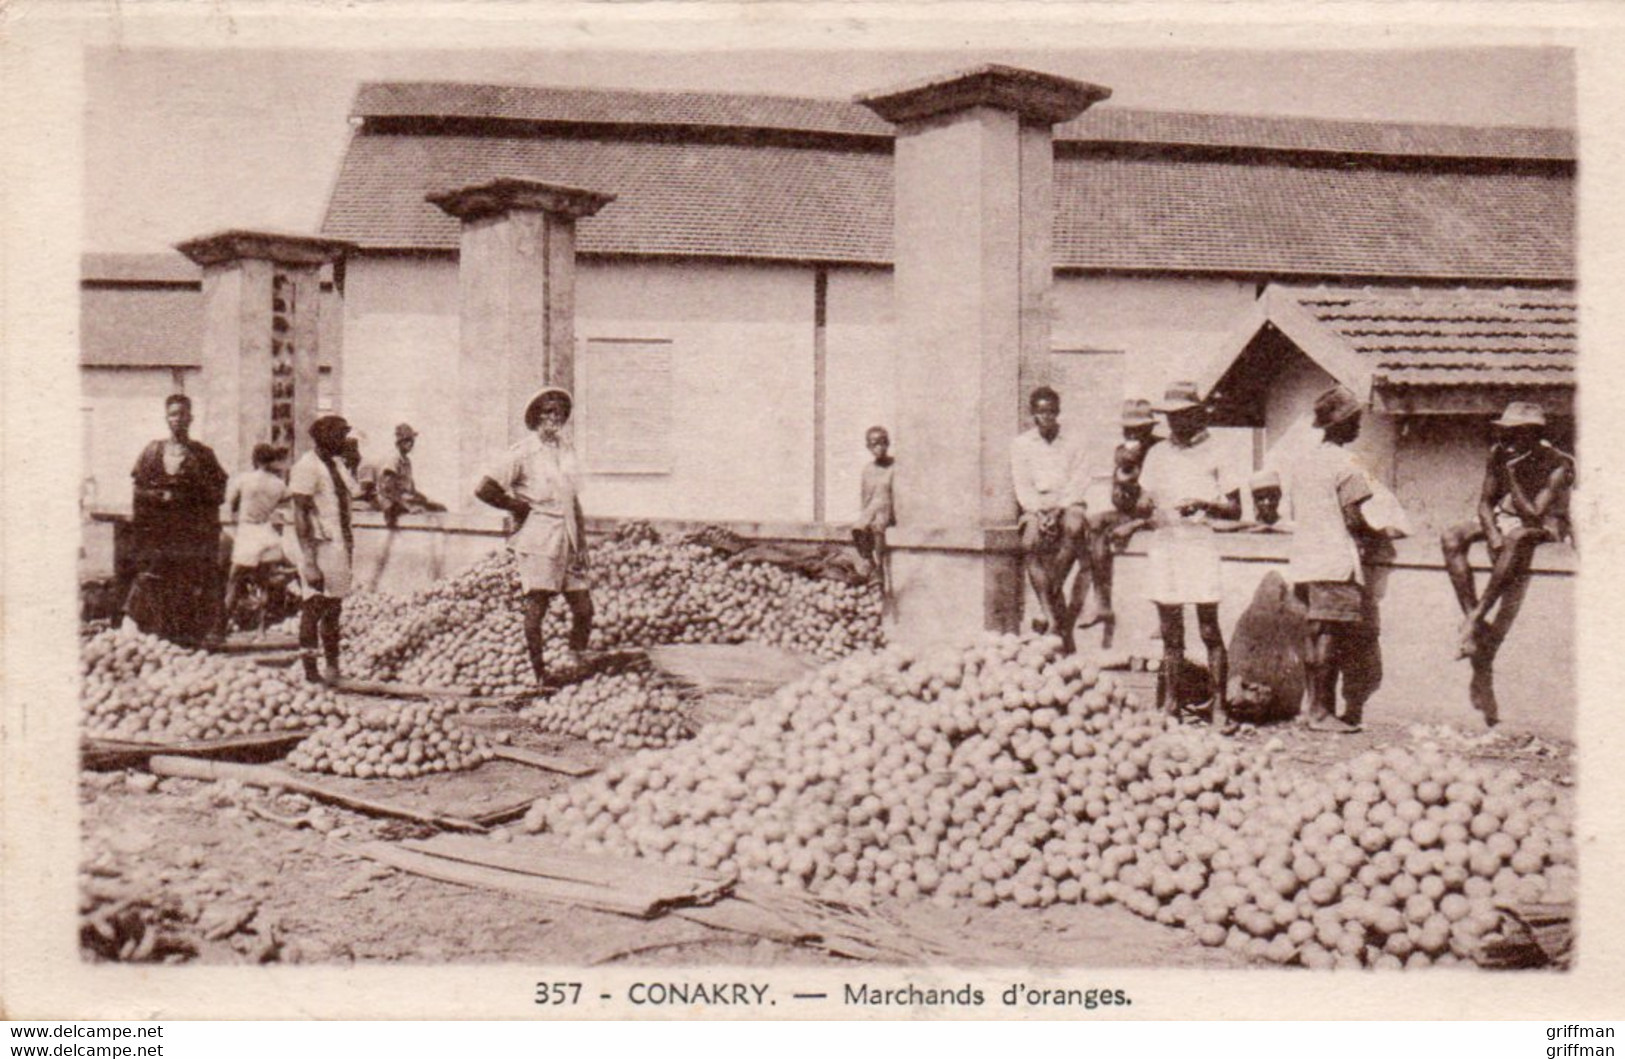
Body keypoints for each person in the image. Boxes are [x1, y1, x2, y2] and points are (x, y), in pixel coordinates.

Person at [1440, 401, 1575, 723]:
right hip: (1505, 519)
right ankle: (1474, 623)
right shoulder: (1498, 453)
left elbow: (1534, 514)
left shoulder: (1558, 464)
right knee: (1451, 537)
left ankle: (1474, 617)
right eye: (1505, 432)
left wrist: (1512, 475)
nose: (1508, 439)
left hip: (1543, 526)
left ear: (1533, 434)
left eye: (1515, 433)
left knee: (1516, 538)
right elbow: (1485, 503)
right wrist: (1492, 533)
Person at [1286, 386, 1404, 734]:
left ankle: (1312, 709)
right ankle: (1323, 712)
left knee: (1313, 635)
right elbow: (1354, 519)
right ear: (1340, 424)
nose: (1358, 426)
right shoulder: (1345, 463)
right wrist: (1382, 533)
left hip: (1305, 559)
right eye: (1355, 420)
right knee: (1329, 639)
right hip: (1334, 562)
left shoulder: (1304, 463)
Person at [1139, 380, 1241, 730]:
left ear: (1197, 416)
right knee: (1171, 632)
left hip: (1198, 545)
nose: (1175, 423)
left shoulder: (1217, 451)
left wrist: (1203, 503)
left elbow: (1235, 508)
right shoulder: (1156, 454)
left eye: (1182, 416)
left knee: (1209, 629)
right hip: (1166, 544)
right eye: (1170, 417)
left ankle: (1219, 707)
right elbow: (1143, 502)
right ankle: (1171, 705)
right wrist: (1138, 503)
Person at [476, 387, 594, 687]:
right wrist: (518, 507)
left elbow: (573, 500)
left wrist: (581, 541)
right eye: (547, 412)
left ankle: (575, 661)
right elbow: (485, 488)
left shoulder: (566, 451)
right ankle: (540, 673)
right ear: (536, 417)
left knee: (584, 608)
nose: (553, 418)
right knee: (537, 605)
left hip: (566, 535)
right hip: (539, 537)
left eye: (559, 413)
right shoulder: (523, 452)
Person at [126, 394, 228, 646]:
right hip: (158, 534)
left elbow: (219, 492)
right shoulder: (152, 452)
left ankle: (187, 638)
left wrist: (191, 495)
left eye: (183, 414)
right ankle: (156, 635)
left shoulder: (203, 455)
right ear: (166, 418)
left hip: (191, 534)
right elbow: (138, 490)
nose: (178, 419)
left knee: (188, 582)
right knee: (156, 580)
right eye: (173, 414)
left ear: (191, 418)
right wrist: (158, 495)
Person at [1072, 398, 1160, 649]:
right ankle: (1102, 603)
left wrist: (1133, 525)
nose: (1132, 434)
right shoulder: (1123, 452)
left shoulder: (1158, 451)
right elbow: (1118, 499)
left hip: (1157, 516)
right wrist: (1124, 478)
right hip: (1132, 512)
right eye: (1128, 429)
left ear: (1149, 429)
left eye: (1137, 429)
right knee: (1095, 524)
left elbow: (1156, 501)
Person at [1010, 386, 1091, 652]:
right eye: (1041, 411)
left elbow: (1079, 480)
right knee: (1029, 543)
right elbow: (1022, 485)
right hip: (1036, 505)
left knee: (1074, 526)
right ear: (1033, 414)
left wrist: (1058, 508)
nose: (1047, 416)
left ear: (1058, 412)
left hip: (1067, 501)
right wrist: (1039, 511)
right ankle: (1050, 613)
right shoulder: (1021, 445)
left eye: (1051, 411)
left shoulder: (1074, 441)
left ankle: (1053, 590)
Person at [288, 415, 356, 684]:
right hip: (317, 546)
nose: (344, 441)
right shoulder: (307, 467)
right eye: (340, 436)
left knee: (333, 607)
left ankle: (332, 665)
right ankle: (310, 670)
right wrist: (309, 561)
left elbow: (356, 493)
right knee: (314, 604)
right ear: (326, 439)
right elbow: (300, 514)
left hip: (337, 544)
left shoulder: (336, 464)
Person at [218, 443, 290, 640]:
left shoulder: (244, 479)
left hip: (248, 532)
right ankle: (261, 630)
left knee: (234, 581)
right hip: (267, 533)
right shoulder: (279, 484)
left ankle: (221, 627)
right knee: (263, 584)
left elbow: (231, 504)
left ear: (255, 459)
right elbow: (285, 501)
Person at [851, 426, 896, 591]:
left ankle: (880, 567)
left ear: (888, 444)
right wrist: (865, 513)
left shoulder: (895, 468)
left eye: (883, 443)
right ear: (868, 447)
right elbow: (865, 496)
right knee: (858, 527)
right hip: (872, 506)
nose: (879, 447)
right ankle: (868, 561)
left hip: (887, 506)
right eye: (874, 444)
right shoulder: (868, 470)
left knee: (878, 527)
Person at [377, 422, 447, 527]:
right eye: (406, 440)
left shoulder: (406, 461)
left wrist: (426, 500)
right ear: (399, 442)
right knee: (419, 512)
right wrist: (407, 506)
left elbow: (411, 489)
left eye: (411, 441)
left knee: (439, 508)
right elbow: (388, 489)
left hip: (404, 498)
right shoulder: (392, 459)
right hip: (392, 501)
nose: (410, 444)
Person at [341, 437, 378, 509]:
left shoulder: (365, 465)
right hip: (358, 502)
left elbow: (364, 492)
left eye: (346, 456)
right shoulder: (352, 468)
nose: (345, 460)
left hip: (370, 503)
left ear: (354, 453)